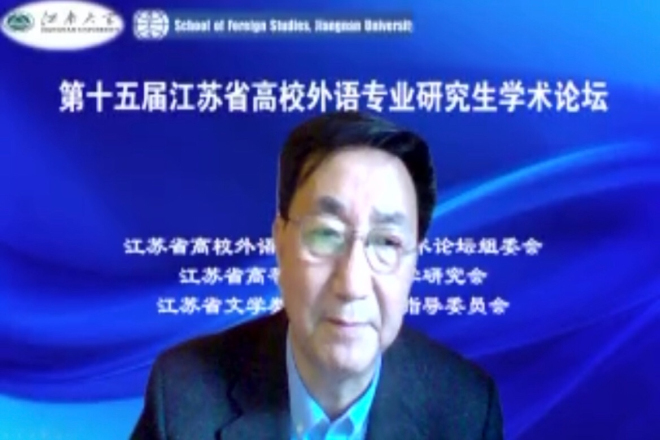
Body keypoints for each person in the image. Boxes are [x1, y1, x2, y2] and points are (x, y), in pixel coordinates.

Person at [130, 111, 504, 440]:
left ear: (414, 262)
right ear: (281, 242)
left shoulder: (467, 410)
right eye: (326, 234)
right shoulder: (183, 396)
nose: (352, 284)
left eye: (386, 242)